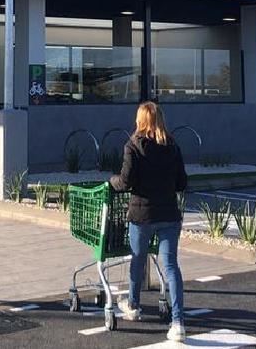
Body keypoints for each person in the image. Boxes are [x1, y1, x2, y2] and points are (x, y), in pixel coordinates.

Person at [109, 101, 188, 342]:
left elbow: (126, 181)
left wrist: (110, 182)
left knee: (137, 260)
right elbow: (182, 182)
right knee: (171, 266)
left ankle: (133, 305)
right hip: (168, 214)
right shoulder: (172, 146)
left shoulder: (133, 145)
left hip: (142, 215)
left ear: (140, 120)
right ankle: (178, 322)